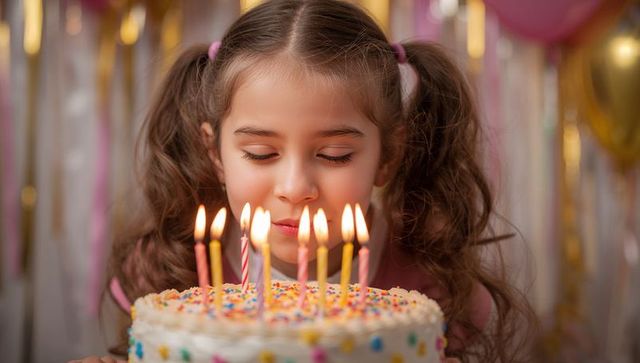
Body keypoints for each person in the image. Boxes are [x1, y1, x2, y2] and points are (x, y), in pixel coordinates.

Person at [78, 1, 535, 362]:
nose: (295, 187)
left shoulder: (433, 287)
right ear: (215, 153)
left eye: (334, 155)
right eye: (261, 154)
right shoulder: (167, 271)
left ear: (389, 155)